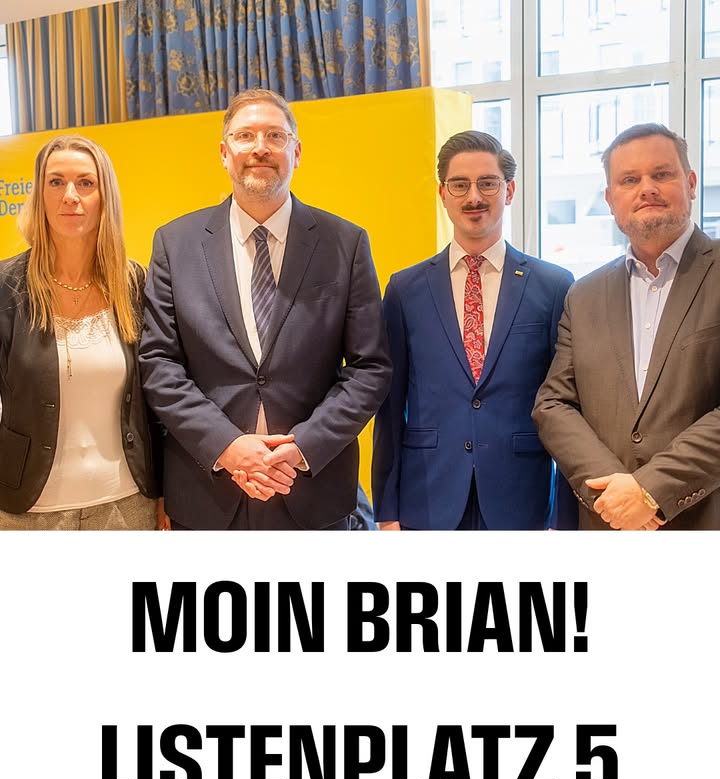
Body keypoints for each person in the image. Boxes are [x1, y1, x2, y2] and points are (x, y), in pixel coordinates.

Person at [139, 88, 391, 530]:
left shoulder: (345, 243)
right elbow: (159, 364)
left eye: (275, 136)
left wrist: (303, 447)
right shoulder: (174, 244)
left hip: (311, 491)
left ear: (297, 151)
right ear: (224, 152)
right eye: (245, 136)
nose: (260, 148)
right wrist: (227, 446)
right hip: (207, 493)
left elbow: (369, 368)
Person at [371, 130, 576, 530]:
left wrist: (564, 517)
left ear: (509, 190)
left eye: (488, 183)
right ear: (442, 193)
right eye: (460, 185)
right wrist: (387, 510)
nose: (474, 197)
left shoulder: (553, 286)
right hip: (427, 496)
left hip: (522, 498)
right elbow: (390, 407)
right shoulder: (405, 289)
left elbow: (568, 405)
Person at [533, 122, 720, 530]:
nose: (646, 188)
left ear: (691, 183)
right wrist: (616, 495)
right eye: (629, 180)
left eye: (662, 174)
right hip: (607, 523)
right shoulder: (584, 295)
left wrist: (651, 490)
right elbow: (553, 404)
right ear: (610, 198)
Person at [0, 135, 164, 530]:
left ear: (105, 197)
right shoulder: (7, 286)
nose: (70, 196)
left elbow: (156, 400)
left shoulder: (133, 284)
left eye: (85, 183)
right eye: (56, 182)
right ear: (39, 195)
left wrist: (166, 492)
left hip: (126, 507)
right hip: (27, 513)